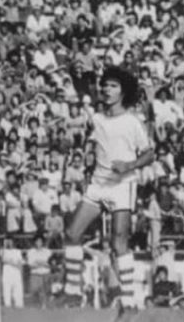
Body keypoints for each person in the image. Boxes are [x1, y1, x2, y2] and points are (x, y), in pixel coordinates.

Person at [62, 66, 154, 314]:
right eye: (105, 85)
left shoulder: (133, 122)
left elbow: (149, 153)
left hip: (122, 185)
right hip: (98, 185)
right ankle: (72, 291)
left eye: (113, 86)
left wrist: (130, 165)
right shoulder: (98, 119)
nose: (106, 89)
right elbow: (95, 141)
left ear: (123, 92)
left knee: (118, 244)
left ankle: (130, 301)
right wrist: (89, 154)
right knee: (72, 233)